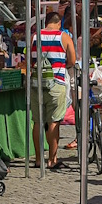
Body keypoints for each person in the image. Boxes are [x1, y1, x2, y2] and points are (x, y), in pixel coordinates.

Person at [35, 11, 76, 169]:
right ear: (59, 23)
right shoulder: (63, 36)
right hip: (56, 81)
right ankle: (52, 159)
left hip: (37, 82)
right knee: (53, 121)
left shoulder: (35, 35)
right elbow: (72, 60)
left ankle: (38, 159)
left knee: (38, 120)